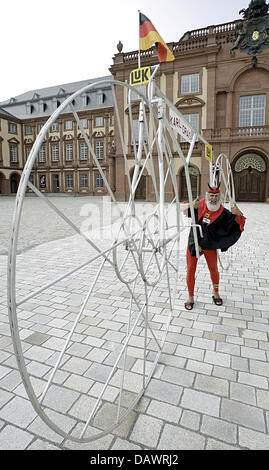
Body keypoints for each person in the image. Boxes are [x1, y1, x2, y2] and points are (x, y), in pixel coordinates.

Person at [184, 184, 246, 310]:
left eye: (216, 196)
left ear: (220, 197)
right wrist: (190, 205)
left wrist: (239, 214)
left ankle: (216, 293)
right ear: (207, 196)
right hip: (194, 241)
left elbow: (237, 222)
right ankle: (190, 297)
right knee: (190, 270)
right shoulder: (199, 204)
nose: (213, 198)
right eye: (211, 196)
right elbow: (183, 208)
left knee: (213, 269)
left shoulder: (222, 212)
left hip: (209, 244)